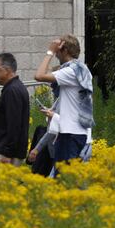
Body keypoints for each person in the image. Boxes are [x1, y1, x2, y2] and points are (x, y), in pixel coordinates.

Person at [34, 35, 95, 168]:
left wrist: (49, 51)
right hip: (78, 132)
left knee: (64, 178)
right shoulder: (82, 70)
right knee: (70, 178)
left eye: (58, 51)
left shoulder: (71, 71)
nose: (56, 54)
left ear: (65, 50)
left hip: (69, 133)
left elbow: (39, 75)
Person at [0, 53, 30, 166]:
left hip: (8, 154)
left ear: (7, 70)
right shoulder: (15, 87)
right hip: (10, 151)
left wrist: (7, 154)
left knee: (0, 183)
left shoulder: (12, 90)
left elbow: (14, 125)